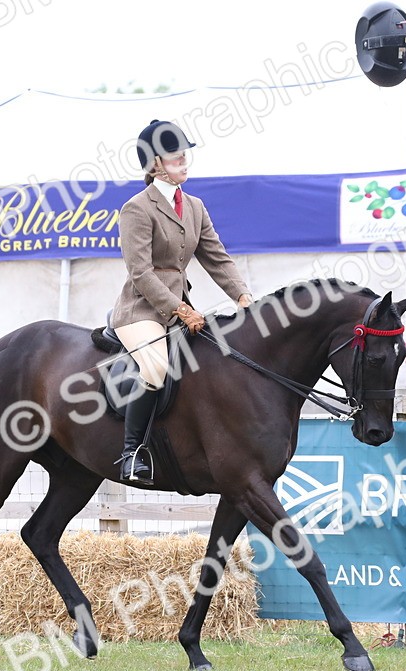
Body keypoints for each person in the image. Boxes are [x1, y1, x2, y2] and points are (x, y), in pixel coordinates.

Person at [110, 120, 253, 486]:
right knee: (156, 368)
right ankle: (131, 454)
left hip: (180, 309)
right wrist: (181, 309)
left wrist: (242, 296)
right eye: (175, 156)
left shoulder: (194, 206)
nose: (184, 161)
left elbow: (216, 258)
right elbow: (140, 272)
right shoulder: (136, 208)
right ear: (155, 163)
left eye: (184, 155)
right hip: (141, 310)